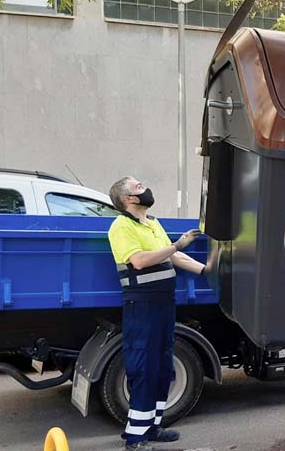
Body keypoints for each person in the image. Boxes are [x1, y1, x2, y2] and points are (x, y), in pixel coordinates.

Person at [107, 177, 206, 451]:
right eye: (138, 186)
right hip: (142, 304)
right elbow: (138, 260)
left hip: (163, 302)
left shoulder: (152, 223)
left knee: (163, 365)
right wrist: (177, 245)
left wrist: (205, 270)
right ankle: (134, 438)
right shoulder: (121, 226)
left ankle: (152, 427)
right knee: (143, 366)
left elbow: (173, 258)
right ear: (128, 199)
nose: (145, 187)